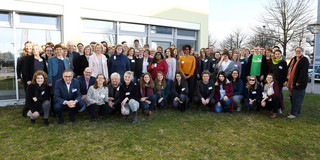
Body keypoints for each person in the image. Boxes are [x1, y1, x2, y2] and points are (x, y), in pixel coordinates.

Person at [285, 47, 309, 119]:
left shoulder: (304, 60)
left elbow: (303, 73)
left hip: (299, 83)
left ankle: (293, 113)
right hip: (292, 82)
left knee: (297, 98)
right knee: (293, 98)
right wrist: (286, 79)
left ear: (302, 51)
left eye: (299, 51)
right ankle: (297, 112)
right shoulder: (293, 59)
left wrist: (299, 82)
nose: (298, 52)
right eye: (297, 51)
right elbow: (289, 69)